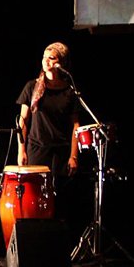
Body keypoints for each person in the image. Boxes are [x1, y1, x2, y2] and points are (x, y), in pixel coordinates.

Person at [16, 42, 83, 231]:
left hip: (60, 152)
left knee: (60, 202)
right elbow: (23, 121)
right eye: (44, 57)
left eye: (51, 58)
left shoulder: (70, 91)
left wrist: (73, 155)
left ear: (61, 63)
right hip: (36, 149)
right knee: (35, 200)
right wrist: (21, 150)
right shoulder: (32, 87)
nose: (46, 61)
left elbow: (75, 126)